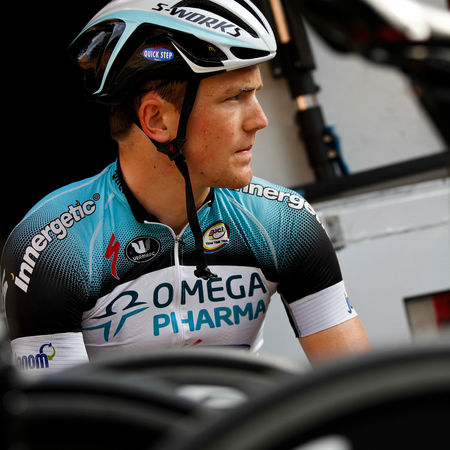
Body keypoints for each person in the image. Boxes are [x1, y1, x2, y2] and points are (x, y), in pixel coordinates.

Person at [1, 0, 370, 374]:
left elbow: (357, 385)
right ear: (157, 120)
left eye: (255, 94)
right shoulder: (53, 247)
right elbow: (63, 411)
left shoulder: (285, 223)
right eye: (235, 97)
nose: (260, 120)